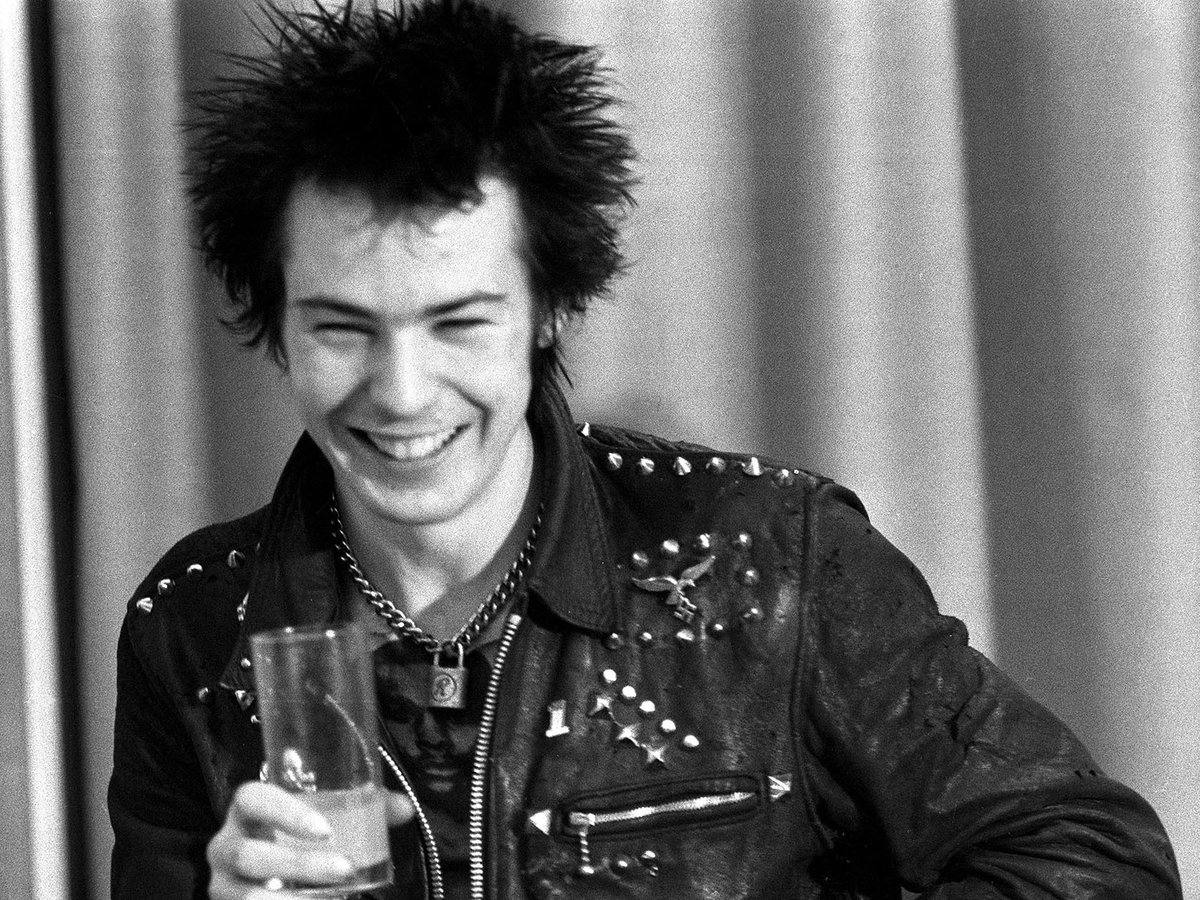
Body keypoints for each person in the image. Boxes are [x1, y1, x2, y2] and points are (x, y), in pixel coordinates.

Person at [108, 1, 1182, 898]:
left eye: (459, 323)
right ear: (276, 324)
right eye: (342, 328)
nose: (401, 391)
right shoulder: (196, 624)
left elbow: (1095, 860)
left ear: (548, 310)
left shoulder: (769, 560)